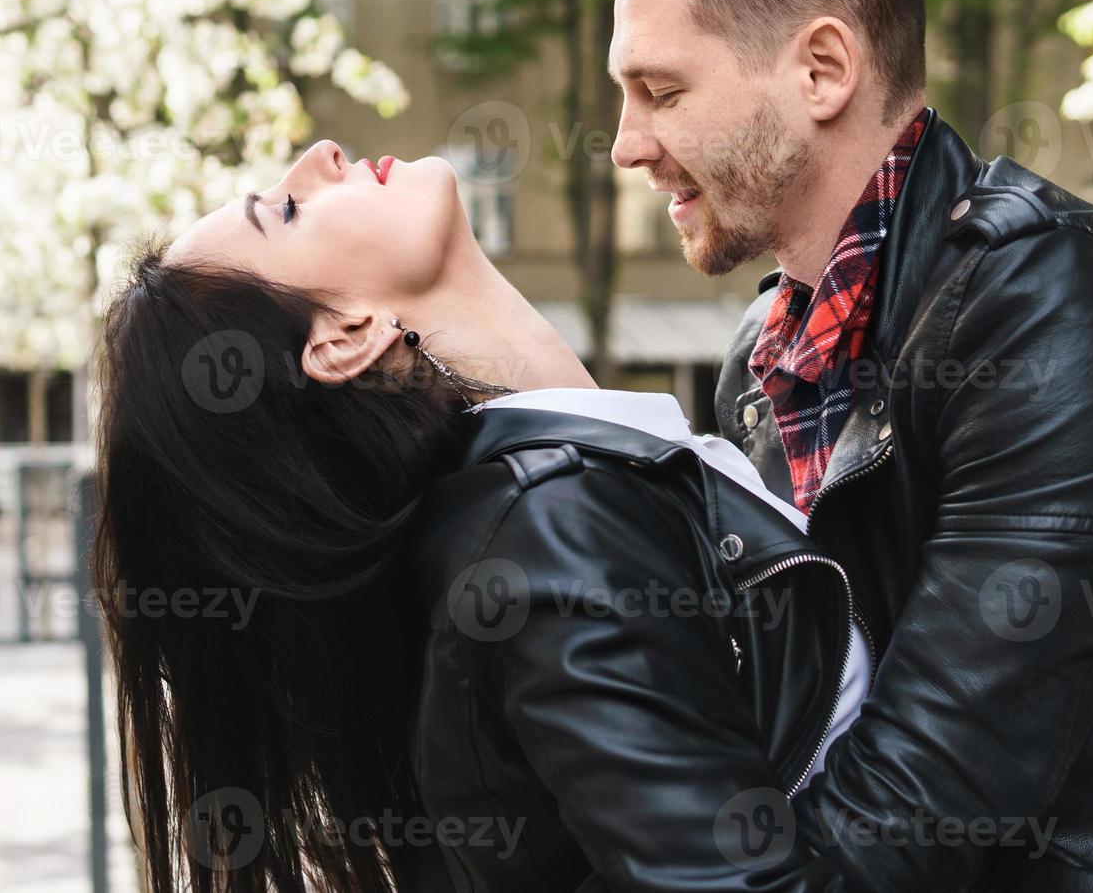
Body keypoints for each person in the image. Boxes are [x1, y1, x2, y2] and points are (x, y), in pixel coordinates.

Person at [597, 0, 1093, 889]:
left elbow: (917, 813)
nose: (627, 144)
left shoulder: (1059, 311)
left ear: (823, 70)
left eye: (661, 91)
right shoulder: (763, 368)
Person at [92, 139, 871, 893]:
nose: (322, 154)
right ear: (346, 335)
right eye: (289, 210)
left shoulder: (552, 503)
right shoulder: (553, 530)